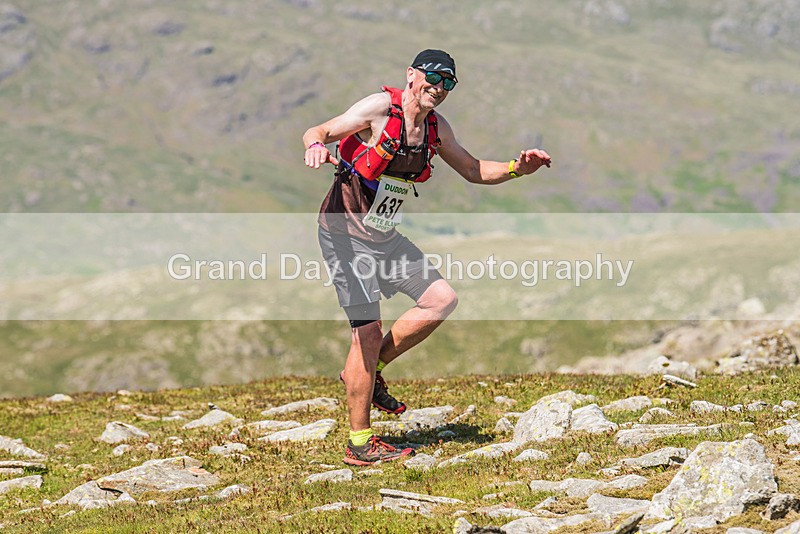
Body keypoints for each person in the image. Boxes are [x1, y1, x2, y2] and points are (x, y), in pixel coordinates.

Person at [303, 49, 551, 466]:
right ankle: (360, 443)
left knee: (441, 299)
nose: (439, 88)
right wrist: (313, 146)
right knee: (366, 330)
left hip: (382, 235)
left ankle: (365, 370)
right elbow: (322, 129)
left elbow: (472, 170)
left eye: (448, 83)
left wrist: (516, 168)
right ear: (412, 75)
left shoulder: (436, 128)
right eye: (434, 78)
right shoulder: (380, 109)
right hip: (345, 234)